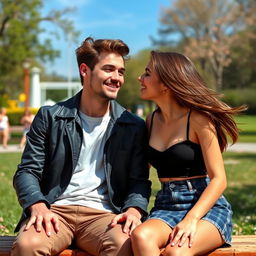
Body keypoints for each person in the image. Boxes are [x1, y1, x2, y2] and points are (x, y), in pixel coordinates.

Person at [11, 37, 151, 256]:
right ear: (85, 70)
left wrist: (134, 210)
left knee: (125, 244)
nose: (117, 78)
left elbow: (139, 181)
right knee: (27, 245)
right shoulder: (50, 117)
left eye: (121, 72)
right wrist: (38, 205)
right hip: (55, 210)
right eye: (108, 69)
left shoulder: (132, 125)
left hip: (105, 216)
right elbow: (27, 171)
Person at [131, 51, 247, 256]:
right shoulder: (151, 120)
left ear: (166, 83)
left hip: (205, 208)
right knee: (141, 236)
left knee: (175, 253)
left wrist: (191, 218)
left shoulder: (199, 119)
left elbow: (219, 179)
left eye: (147, 74)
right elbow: (139, 170)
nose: (140, 78)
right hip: (166, 204)